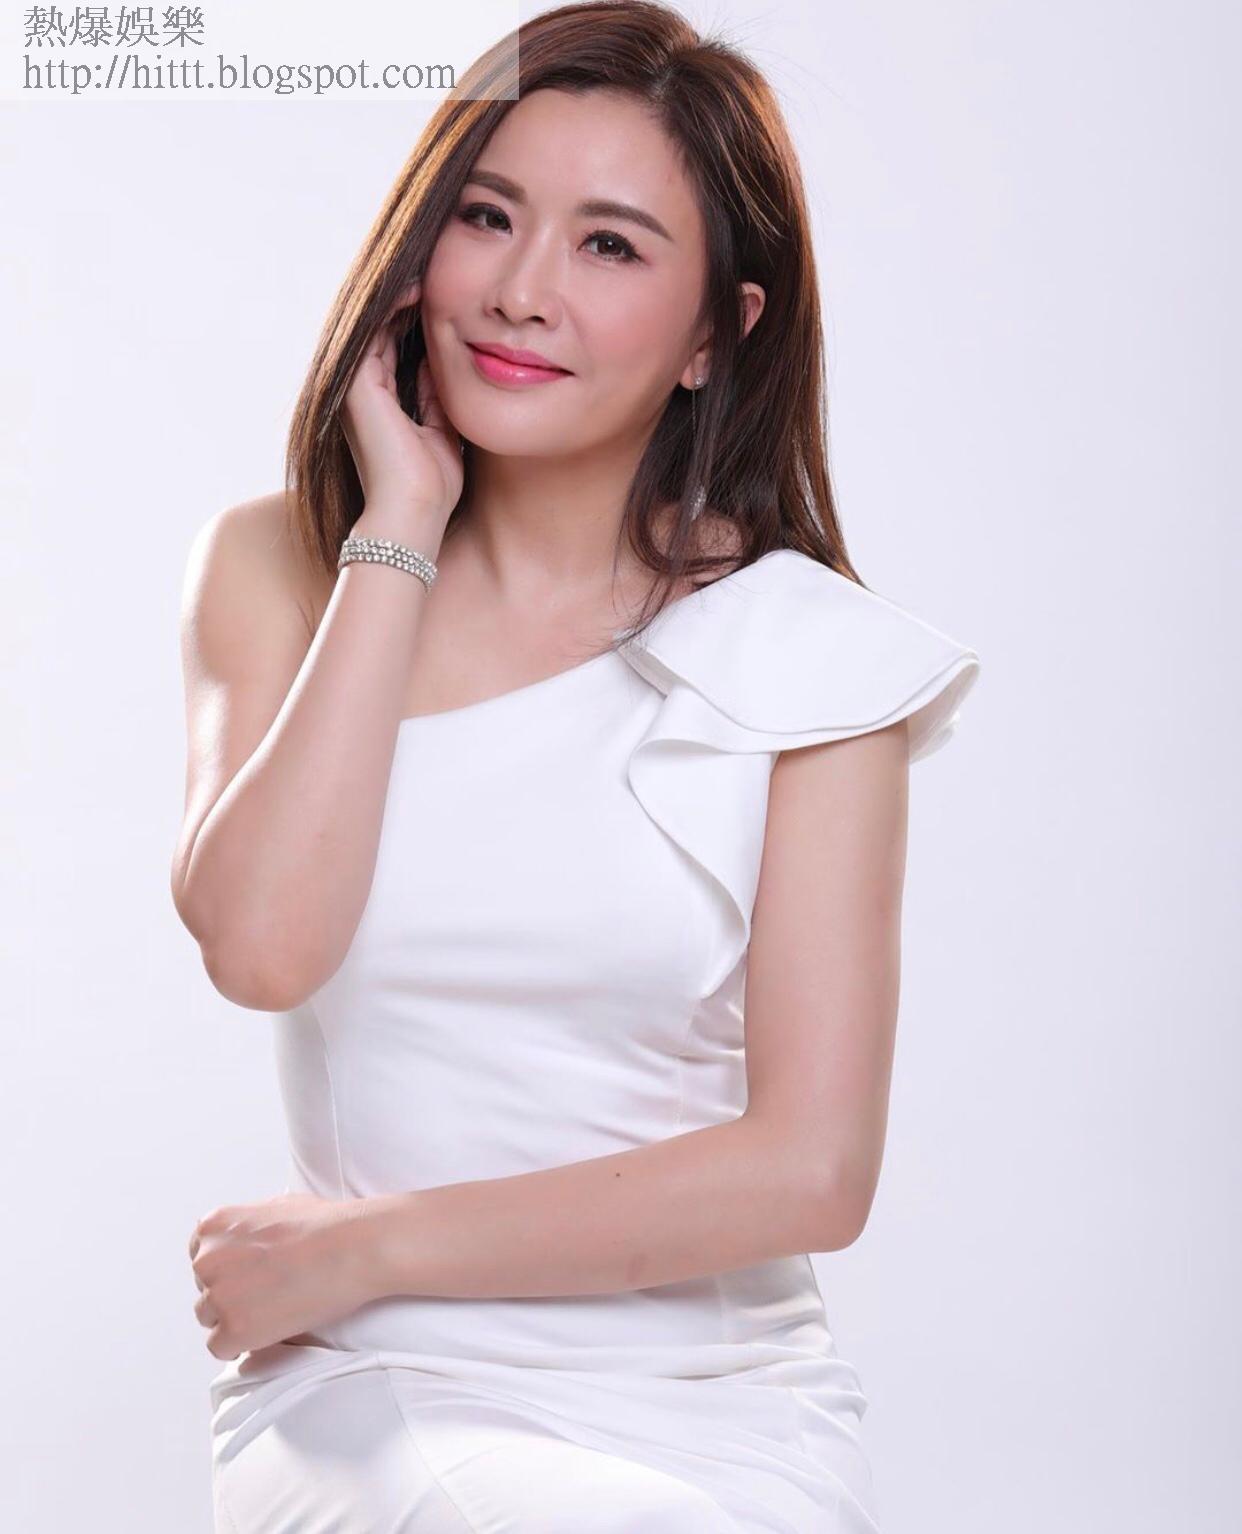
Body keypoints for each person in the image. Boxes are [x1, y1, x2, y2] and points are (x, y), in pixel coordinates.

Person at [172, 3, 981, 1529]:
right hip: (380, 1382)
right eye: (487, 216)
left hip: (726, 1402)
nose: (521, 289)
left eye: (608, 246)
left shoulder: (814, 660)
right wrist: (398, 527)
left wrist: (367, 1244)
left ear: (715, 333)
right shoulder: (284, 568)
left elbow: (809, 1169)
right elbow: (266, 946)